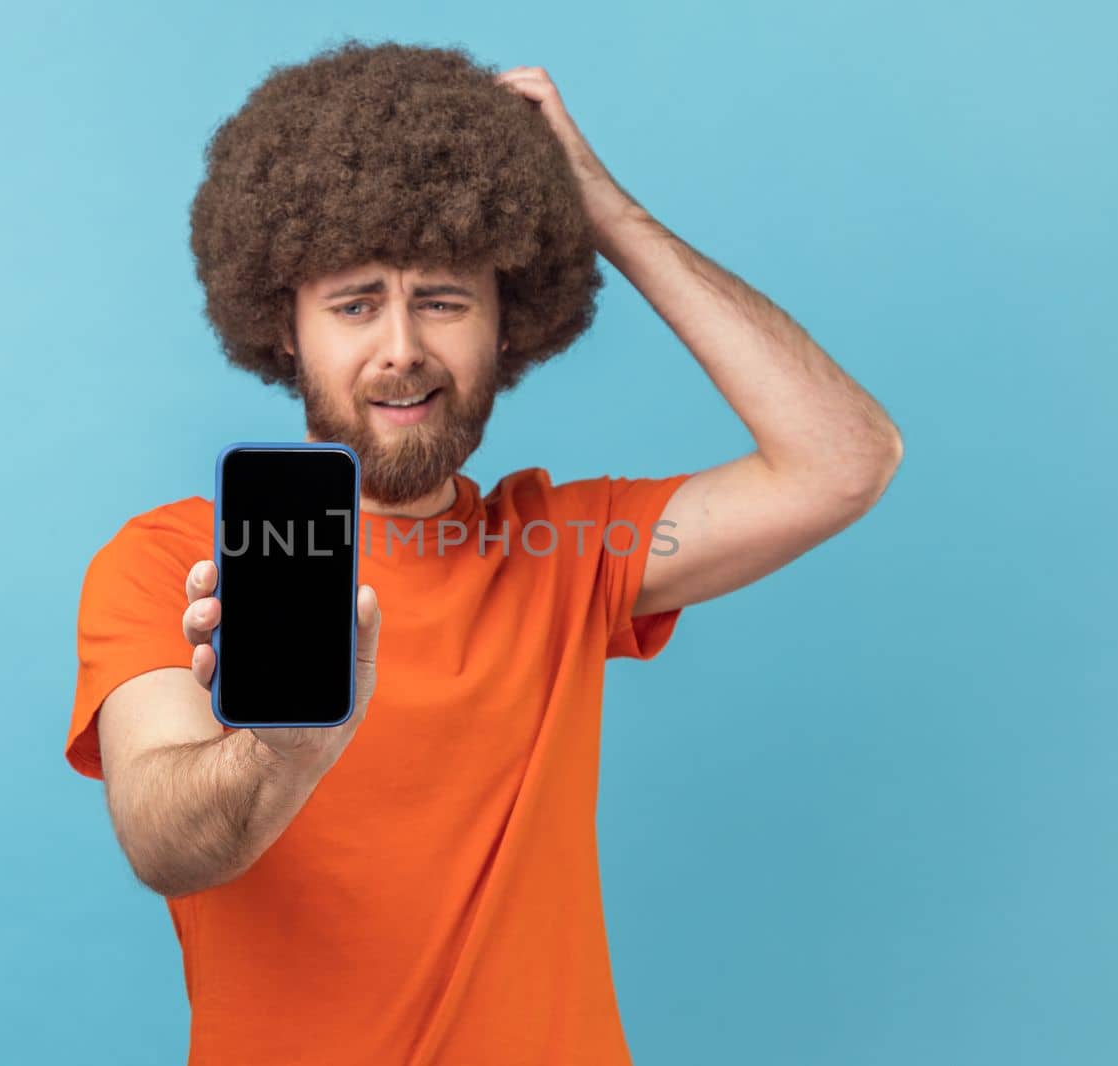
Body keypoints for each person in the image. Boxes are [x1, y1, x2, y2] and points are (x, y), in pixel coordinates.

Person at [65, 39, 902, 1065]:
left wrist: (601, 210)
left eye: (446, 299)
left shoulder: (568, 546)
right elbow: (161, 837)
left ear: (510, 323)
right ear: (285, 330)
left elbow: (845, 458)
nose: (403, 347)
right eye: (355, 302)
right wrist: (281, 751)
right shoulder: (175, 562)